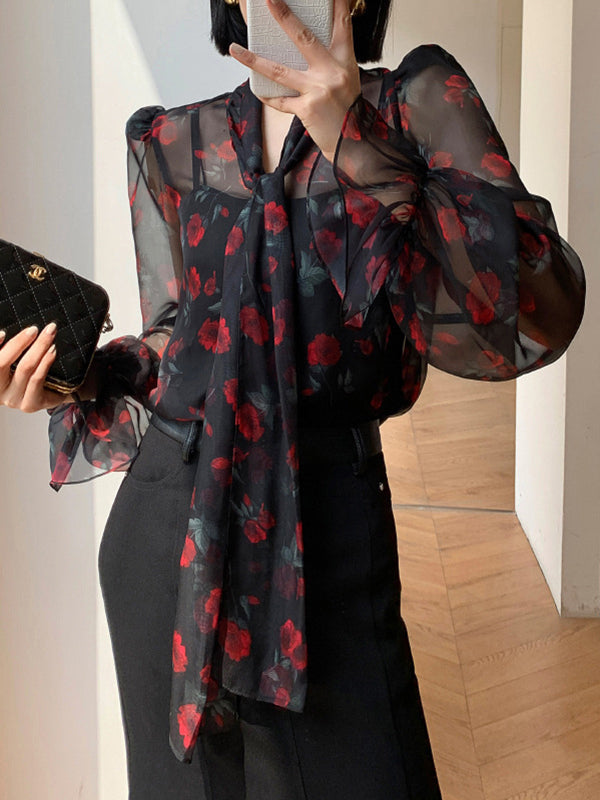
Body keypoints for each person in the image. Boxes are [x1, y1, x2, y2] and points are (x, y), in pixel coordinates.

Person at [0, 0, 586, 798]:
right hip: (167, 532)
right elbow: (182, 344)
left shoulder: (414, 105)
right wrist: (72, 381)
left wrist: (355, 138)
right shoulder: (174, 140)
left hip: (332, 538)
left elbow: (532, 311)